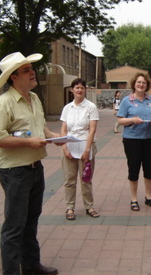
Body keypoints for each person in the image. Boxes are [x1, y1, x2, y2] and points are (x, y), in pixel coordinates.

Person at [0, 52, 61, 275]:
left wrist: (54, 136)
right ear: (13, 77)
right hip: (15, 172)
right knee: (14, 226)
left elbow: (41, 127)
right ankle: (11, 271)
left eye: (32, 68)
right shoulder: (3, 104)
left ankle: (30, 264)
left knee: (31, 221)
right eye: (27, 70)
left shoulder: (34, 98)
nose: (32, 73)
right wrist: (28, 142)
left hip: (35, 168)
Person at [117, 72, 151, 211]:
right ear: (134, 84)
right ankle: (134, 198)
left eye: (144, 83)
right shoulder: (126, 101)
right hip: (132, 140)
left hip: (150, 139)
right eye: (138, 82)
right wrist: (132, 120)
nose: (141, 85)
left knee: (149, 168)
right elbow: (120, 120)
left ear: (147, 85)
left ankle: (148, 197)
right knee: (134, 168)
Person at [61, 78, 100, 220]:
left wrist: (87, 150)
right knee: (69, 179)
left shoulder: (91, 107)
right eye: (76, 87)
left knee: (86, 179)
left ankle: (89, 206)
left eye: (82, 88)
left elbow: (92, 130)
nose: (79, 90)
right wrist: (64, 148)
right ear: (72, 90)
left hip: (85, 147)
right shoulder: (67, 108)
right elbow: (64, 129)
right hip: (70, 148)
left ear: (85, 90)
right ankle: (70, 207)